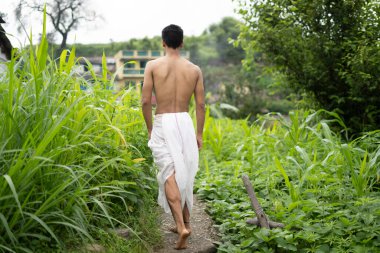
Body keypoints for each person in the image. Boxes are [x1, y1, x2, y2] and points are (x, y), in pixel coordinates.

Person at [141, 24, 205, 250]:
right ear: (182, 42)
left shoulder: (153, 66)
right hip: (185, 122)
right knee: (184, 170)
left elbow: (146, 101)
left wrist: (151, 129)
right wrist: (199, 133)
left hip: (163, 120)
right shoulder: (194, 69)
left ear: (163, 42)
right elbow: (200, 104)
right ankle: (185, 221)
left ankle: (181, 226)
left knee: (169, 173)